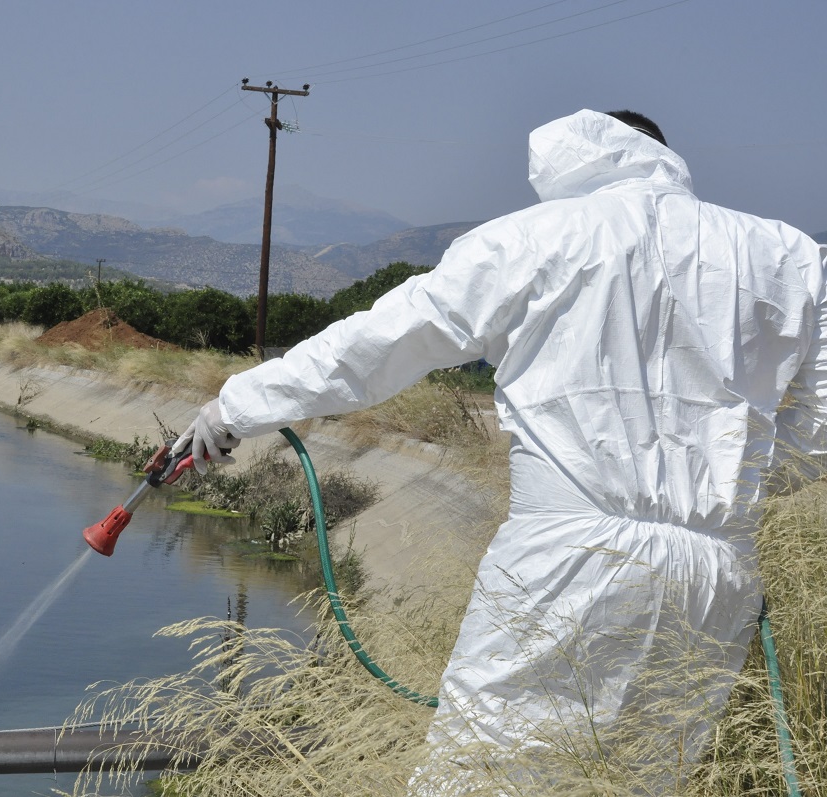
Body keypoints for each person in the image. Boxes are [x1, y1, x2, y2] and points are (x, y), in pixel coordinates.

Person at [173, 109, 827, 792]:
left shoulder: (538, 236)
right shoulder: (789, 256)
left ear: (575, 160)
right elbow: (817, 434)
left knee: (479, 773)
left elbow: (381, 344)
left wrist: (238, 405)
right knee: (638, 778)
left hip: (564, 557)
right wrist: (721, 494)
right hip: (716, 572)